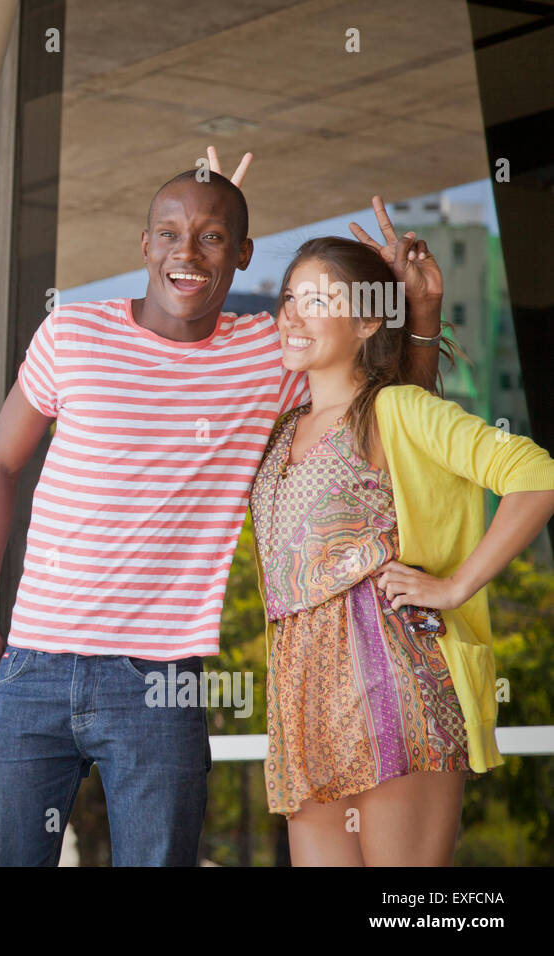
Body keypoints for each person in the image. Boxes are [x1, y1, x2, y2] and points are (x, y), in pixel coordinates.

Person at [0, 155, 445, 866]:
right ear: (145, 246)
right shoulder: (71, 335)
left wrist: (412, 307)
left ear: (243, 255)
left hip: (159, 682)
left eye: (213, 238)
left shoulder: (271, 358)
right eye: (169, 233)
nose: (185, 252)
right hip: (31, 668)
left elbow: (394, 413)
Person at [248, 235, 554, 865]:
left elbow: (536, 475)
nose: (293, 315)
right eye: (289, 299)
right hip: (301, 699)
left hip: (391, 683)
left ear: (366, 320)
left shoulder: (398, 408)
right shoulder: (281, 429)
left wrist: (455, 586)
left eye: (318, 299)